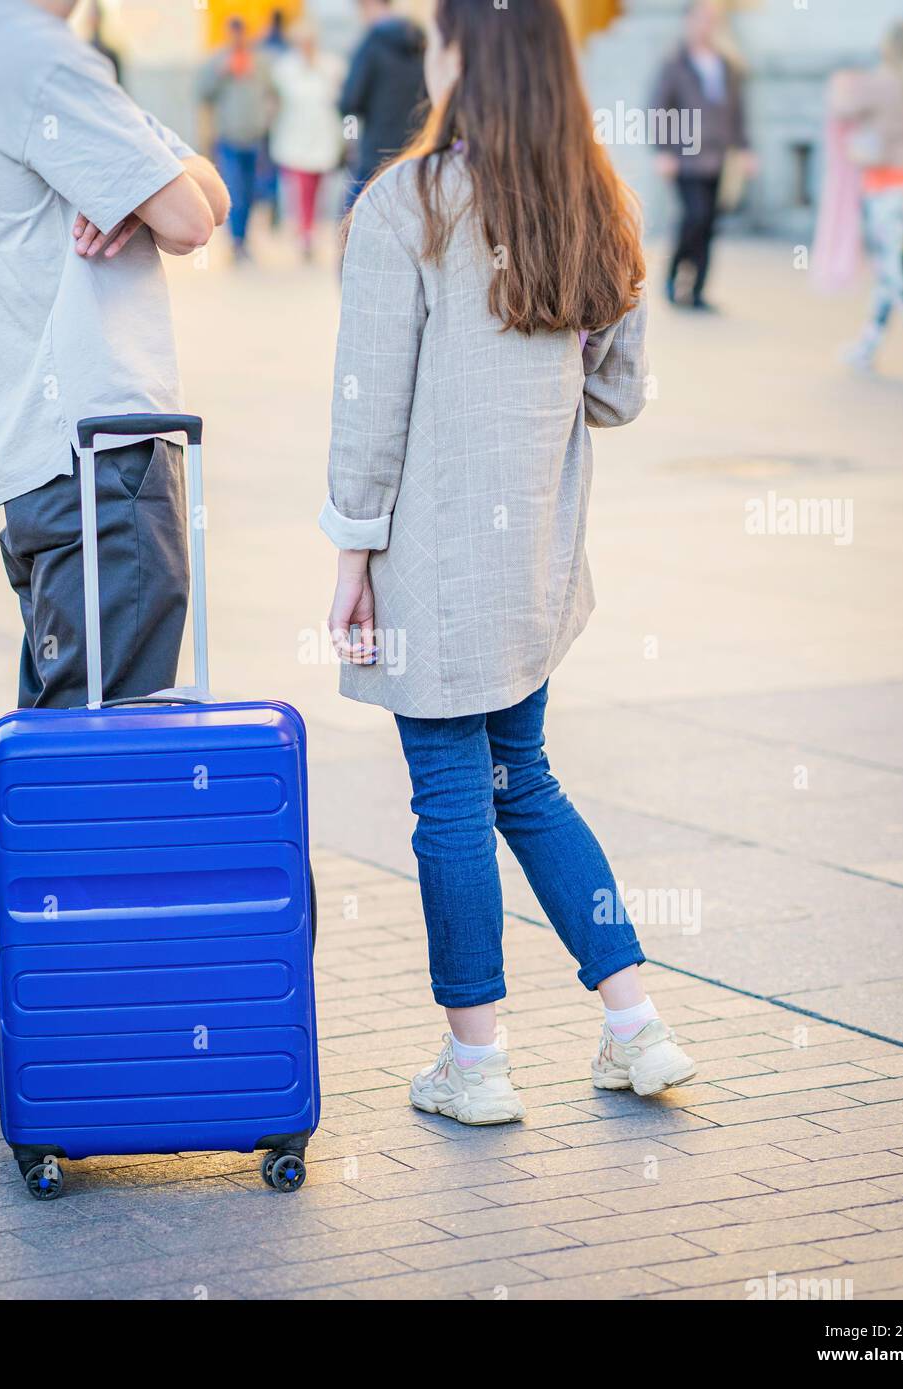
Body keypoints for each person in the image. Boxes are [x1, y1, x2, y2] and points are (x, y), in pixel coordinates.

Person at [320, 0, 696, 1125]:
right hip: (532, 557)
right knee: (520, 781)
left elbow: (367, 408)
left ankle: (475, 1064)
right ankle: (634, 1024)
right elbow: (619, 393)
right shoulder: (596, 201)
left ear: (463, 55)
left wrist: (349, 554)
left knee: (448, 799)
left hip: (431, 559)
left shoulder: (409, 205)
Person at [0, 0, 228, 1110]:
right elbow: (195, 222)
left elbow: (202, 196)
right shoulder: (42, 60)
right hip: (94, 456)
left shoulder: (23, 56)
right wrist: (159, 195)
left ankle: (21, 1028)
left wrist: (158, 185)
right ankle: (26, 1036)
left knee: (68, 731)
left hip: (62, 461)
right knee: (87, 753)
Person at [831, 21, 903, 383]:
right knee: (888, 271)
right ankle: (868, 345)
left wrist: (843, 79)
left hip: (886, 188)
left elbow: (842, 105)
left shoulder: (883, 83)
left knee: (896, 273)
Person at [650, 0, 754, 311]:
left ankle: (696, 290)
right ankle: (673, 276)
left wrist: (745, 148)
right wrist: (664, 151)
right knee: (693, 217)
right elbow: (659, 109)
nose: (706, 26)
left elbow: (737, 112)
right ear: (688, 22)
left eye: (712, 20)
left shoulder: (727, 65)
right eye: (701, 19)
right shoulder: (675, 63)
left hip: (719, 157)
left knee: (710, 223)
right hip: (686, 156)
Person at [197, 17, 275, 260]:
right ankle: (237, 241)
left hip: (254, 137)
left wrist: (267, 117)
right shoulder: (218, 61)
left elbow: (272, 92)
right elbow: (202, 93)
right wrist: (220, 74)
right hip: (228, 137)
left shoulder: (259, 61)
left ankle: (244, 237)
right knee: (235, 190)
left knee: (251, 191)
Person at [340, 0, 426, 209]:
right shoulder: (421, 41)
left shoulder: (372, 43)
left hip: (376, 156)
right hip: (416, 153)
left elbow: (349, 101)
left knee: (356, 221)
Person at [270, 24, 346, 259]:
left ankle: (309, 229)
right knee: (302, 187)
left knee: (317, 188)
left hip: (323, 136)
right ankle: (305, 232)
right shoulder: (285, 68)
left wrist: (346, 136)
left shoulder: (331, 66)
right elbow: (278, 102)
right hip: (295, 137)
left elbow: (340, 102)